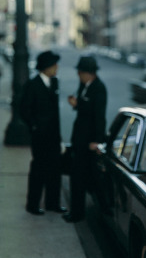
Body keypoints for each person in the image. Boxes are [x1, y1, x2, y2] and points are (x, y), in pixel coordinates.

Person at [20, 50, 66, 215]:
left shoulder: (54, 83)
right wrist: (34, 126)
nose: (57, 68)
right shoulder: (33, 85)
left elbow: (55, 112)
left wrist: (59, 135)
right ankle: (32, 205)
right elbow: (24, 109)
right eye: (54, 65)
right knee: (39, 169)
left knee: (55, 169)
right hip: (40, 136)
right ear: (46, 67)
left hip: (53, 135)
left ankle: (52, 203)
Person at [63, 55, 107, 223]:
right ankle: (91, 209)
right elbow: (85, 107)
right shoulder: (84, 85)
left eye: (80, 72)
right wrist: (77, 104)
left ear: (89, 73)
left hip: (88, 141)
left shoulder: (99, 88)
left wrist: (97, 140)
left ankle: (79, 213)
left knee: (81, 177)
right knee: (82, 176)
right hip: (79, 139)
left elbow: (99, 116)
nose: (78, 75)